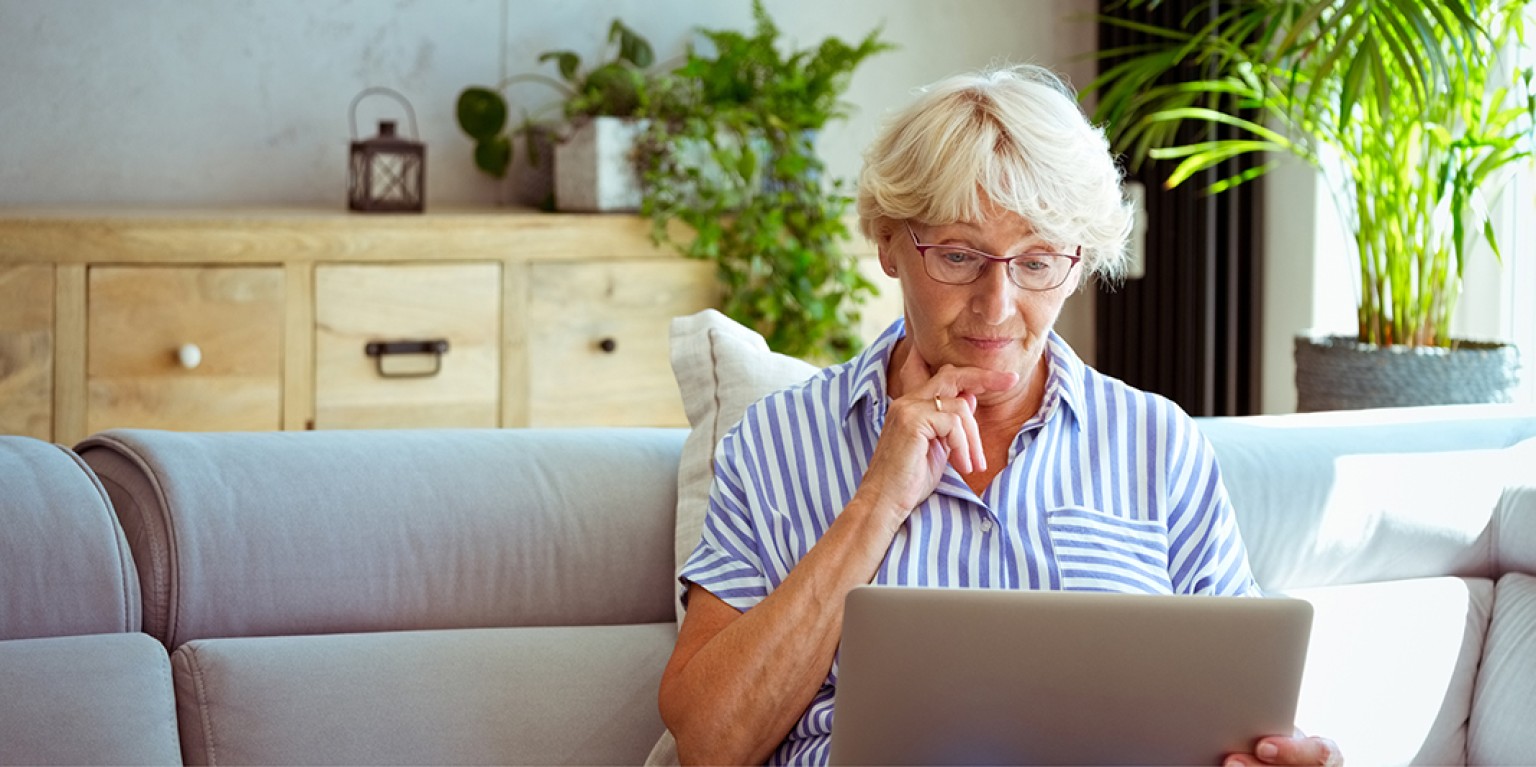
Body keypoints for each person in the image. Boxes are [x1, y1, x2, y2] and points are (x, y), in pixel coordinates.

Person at [657, 64, 1342, 767]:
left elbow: (1241, 709)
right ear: (890, 242)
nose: (997, 305)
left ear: (1077, 265)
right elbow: (710, 742)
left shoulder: (1156, 443)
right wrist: (877, 502)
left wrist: (1277, 756)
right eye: (958, 255)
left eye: (1037, 261)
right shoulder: (776, 442)